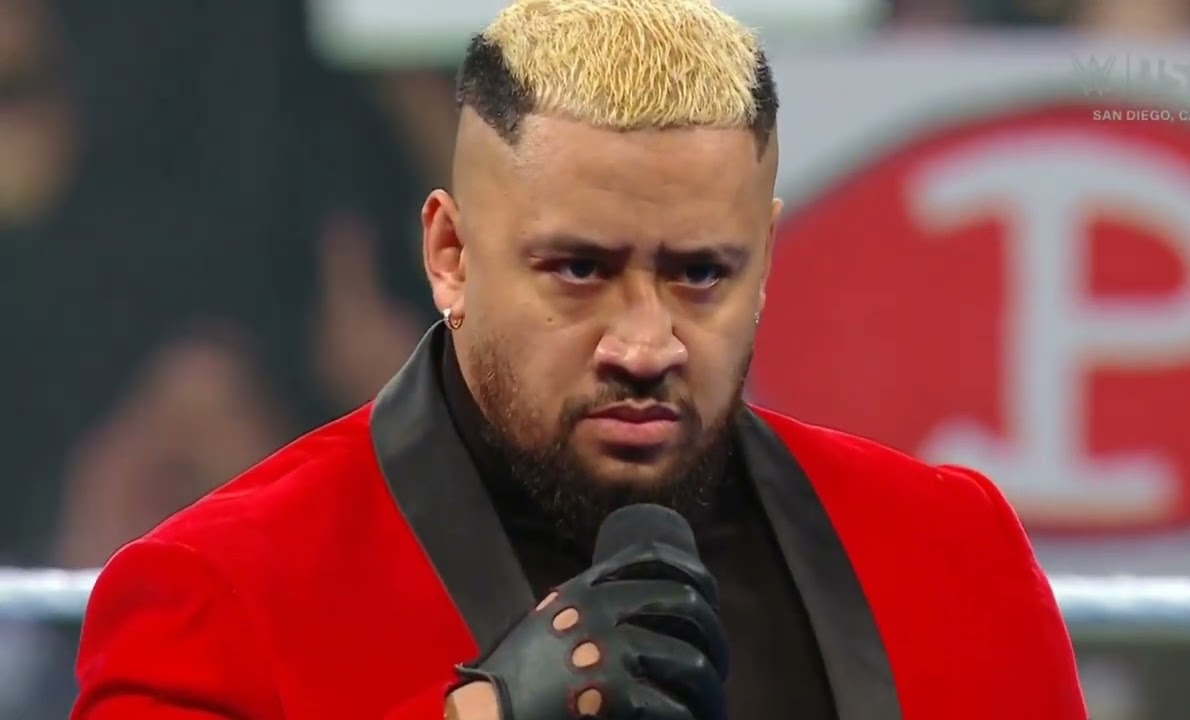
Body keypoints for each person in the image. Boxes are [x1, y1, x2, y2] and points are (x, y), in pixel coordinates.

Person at [71, 1, 1087, 718]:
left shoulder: (950, 553)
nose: (644, 345)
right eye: (579, 270)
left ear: (765, 259)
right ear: (451, 255)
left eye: (700, 273)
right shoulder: (220, 592)